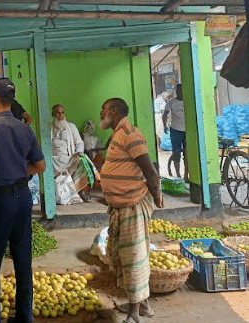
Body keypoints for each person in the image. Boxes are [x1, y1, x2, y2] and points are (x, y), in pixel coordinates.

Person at [0, 78, 45, 323]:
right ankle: (25, 316)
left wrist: (1, 171)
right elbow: (40, 166)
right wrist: (17, 170)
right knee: (23, 260)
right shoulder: (26, 129)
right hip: (23, 198)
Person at [99, 98, 163, 323]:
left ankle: (135, 313)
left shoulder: (130, 133)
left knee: (133, 257)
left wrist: (156, 196)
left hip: (132, 205)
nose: (100, 113)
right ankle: (143, 305)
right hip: (121, 205)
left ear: (114, 111)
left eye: (104, 110)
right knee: (126, 256)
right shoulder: (118, 133)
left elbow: (150, 172)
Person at [51, 104, 97, 203]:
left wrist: (79, 152)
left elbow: (79, 143)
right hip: (53, 159)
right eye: (57, 113)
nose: (60, 115)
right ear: (53, 114)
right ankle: (52, 194)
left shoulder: (71, 127)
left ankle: (82, 192)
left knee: (83, 160)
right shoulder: (48, 128)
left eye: (62, 112)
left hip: (69, 157)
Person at [162, 84, 188, 181]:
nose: (179, 92)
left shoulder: (188, 102)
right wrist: (164, 125)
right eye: (178, 91)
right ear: (176, 92)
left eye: (181, 90)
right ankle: (178, 175)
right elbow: (165, 114)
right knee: (176, 154)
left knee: (188, 155)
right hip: (175, 131)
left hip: (187, 132)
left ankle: (186, 175)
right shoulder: (171, 102)